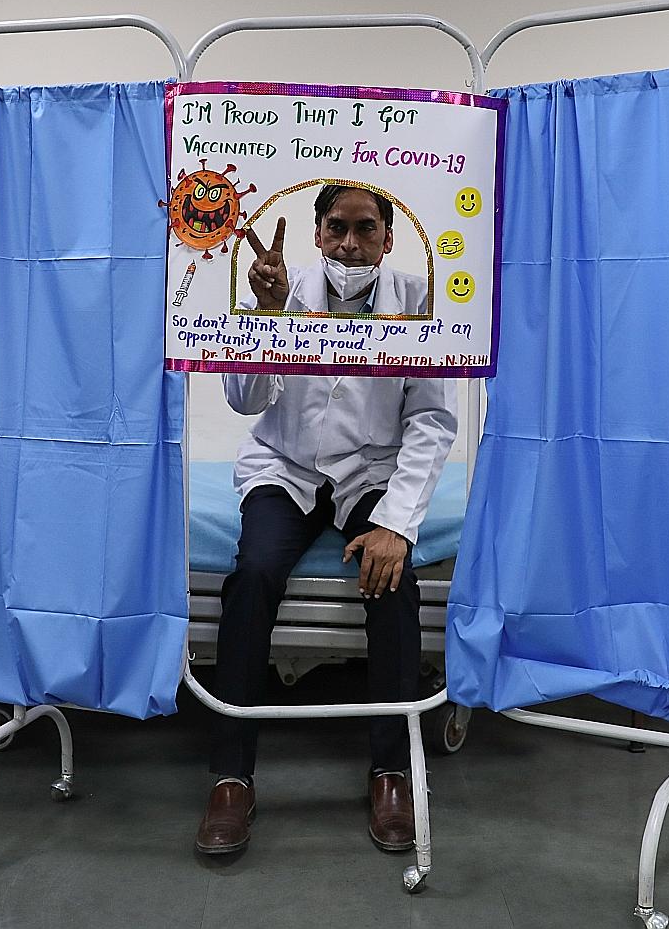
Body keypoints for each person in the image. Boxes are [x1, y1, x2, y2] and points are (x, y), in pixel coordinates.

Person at [195, 184, 457, 856]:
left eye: (365, 229)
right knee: (252, 573)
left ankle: (390, 769)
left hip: (370, 473)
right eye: (336, 227)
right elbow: (245, 399)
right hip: (287, 467)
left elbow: (430, 421)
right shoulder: (284, 288)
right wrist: (268, 312)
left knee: (392, 582)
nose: (349, 244)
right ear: (317, 233)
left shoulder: (421, 303)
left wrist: (396, 523)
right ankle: (231, 775)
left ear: (388, 238)